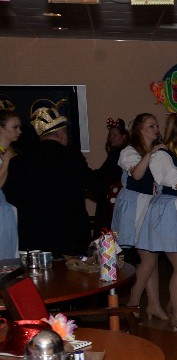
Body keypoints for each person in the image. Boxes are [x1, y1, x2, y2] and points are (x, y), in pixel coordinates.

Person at [6, 103, 101, 256]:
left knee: (38, 279)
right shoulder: (72, 157)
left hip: (34, 238)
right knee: (72, 278)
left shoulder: (19, 161)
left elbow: (11, 196)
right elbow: (96, 185)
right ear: (62, 134)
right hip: (70, 237)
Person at [137, 114, 177, 334]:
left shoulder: (173, 154)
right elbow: (176, 182)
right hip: (170, 211)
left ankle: (175, 311)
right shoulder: (162, 154)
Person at [112, 113, 168, 321]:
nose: (156, 129)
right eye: (151, 126)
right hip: (135, 206)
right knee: (149, 257)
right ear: (139, 130)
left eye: (156, 125)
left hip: (150, 205)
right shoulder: (129, 151)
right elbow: (137, 174)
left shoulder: (156, 151)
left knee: (151, 257)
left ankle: (153, 304)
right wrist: (151, 153)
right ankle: (132, 302)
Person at [94, 117, 128, 230]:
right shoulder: (116, 154)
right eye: (110, 135)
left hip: (112, 202)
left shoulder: (118, 155)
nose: (111, 138)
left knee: (107, 232)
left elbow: (105, 175)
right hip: (113, 202)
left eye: (115, 135)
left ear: (124, 137)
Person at [0, 109, 20, 259]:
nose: (19, 131)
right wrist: (6, 162)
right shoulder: (5, 155)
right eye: (14, 127)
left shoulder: (8, 152)